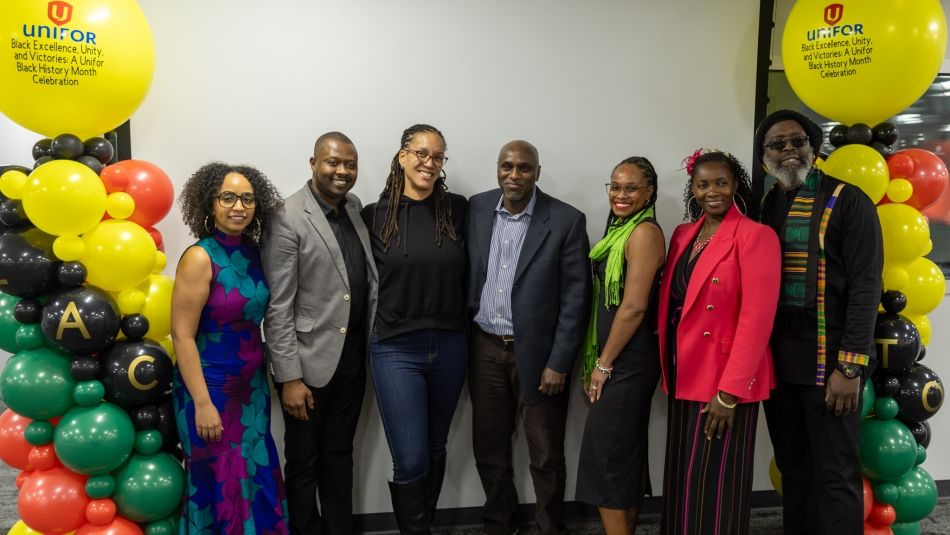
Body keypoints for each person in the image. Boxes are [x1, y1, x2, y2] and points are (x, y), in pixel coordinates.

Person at [755, 110, 883, 534]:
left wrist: (850, 368)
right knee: (795, 468)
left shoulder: (849, 201)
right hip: (780, 362)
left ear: (814, 148)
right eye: (778, 144)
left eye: (798, 141)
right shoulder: (768, 204)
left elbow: (867, 289)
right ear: (764, 158)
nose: (789, 150)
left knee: (835, 473)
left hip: (831, 362)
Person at [467, 140, 591, 535]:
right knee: (489, 447)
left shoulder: (566, 220)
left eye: (524, 168)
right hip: (485, 347)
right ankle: (497, 523)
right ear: (497, 169)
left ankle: (549, 526)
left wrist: (559, 362)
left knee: (546, 452)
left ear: (537, 171)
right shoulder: (478, 208)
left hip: (538, 355)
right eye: (507, 167)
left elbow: (576, 298)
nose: (514, 175)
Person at [656, 150, 780, 534]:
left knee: (715, 487)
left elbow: (757, 320)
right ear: (692, 189)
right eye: (703, 184)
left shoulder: (757, 236)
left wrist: (729, 393)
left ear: (735, 185)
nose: (712, 191)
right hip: (684, 373)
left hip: (725, 381)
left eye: (721, 183)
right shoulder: (683, 235)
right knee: (682, 480)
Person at [262, 132, 378, 534]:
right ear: (313, 163)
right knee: (304, 461)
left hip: (351, 359)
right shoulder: (288, 216)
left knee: (339, 454)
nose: (342, 171)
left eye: (350, 164)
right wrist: (289, 377)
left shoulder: (354, 208)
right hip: (307, 364)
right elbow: (277, 305)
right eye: (333, 163)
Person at [362, 124, 468, 534]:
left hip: (450, 345)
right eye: (421, 153)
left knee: (436, 445)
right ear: (402, 156)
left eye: (438, 156)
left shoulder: (457, 210)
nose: (429, 162)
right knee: (409, 458)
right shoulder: (374, 215)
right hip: (393, 348)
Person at [171, 162, 288, 534]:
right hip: (210, 388)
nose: (239, 206)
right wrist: (203, 404)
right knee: (220, 479)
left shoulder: (255, 253)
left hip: (251, 388)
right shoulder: (199, 258)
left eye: (248, 199)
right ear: (210, 204)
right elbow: (182, 336)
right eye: (228, 197)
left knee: (254, 473)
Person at [574, 156, 664, 535]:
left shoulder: (643, 233)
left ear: (650, 193)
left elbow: (633, 307)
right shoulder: (620, 231)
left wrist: (604, 364)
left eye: (631, 188)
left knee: (607, 461)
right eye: (615, 186)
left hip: (629, 361)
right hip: (621, 359)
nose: (621, 194)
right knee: (621, 457)